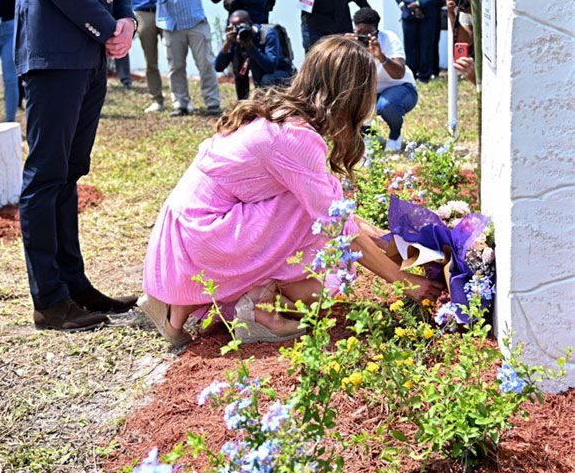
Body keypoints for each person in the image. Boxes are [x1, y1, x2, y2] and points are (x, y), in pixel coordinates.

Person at [139, 36, 442, 347]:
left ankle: (226, 304)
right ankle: (250, 307)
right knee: (310, 216)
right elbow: (337, 223)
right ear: (350, 94)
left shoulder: (285, 117)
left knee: (313, 281)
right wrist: (403, 282)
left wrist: (406, 248)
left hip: (195, 228)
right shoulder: (295, 138)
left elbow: (339, 212)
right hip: (202, 233)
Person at [0, 0, 138, 332]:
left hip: (88, 50)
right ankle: (49, 299)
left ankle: (76, 284)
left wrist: (123, 16)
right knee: (46, 173)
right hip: (55, 51)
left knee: (70, 172)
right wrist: (107, 27)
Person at [143, 0, 221, 117]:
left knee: (205, 64)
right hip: (171, 24)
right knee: (175, 67)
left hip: (195, 22)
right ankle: (180, 103)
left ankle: (212, 103)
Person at [350, 7, 417, 152]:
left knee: (386, 105)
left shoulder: (388, 39)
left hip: (400, 89)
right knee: (345, 101)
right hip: (370, 93)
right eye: (359, 34)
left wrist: (381, 56)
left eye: (368, 34)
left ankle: (395, 134)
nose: (363, 38)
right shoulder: (351, 44)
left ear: (376, 31)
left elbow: (399, 73)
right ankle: (371, 136)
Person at [122, 0, 165, 111]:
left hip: (165, 10)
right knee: (150, 59)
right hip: (143, 12)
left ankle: (181, 98)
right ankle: (157, 99)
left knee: (174, 57)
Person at [214, 9, 295, 100]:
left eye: (241, 26)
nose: (239, 30)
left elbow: (271, 67)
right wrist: (227, 43)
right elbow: (218, 67)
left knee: (267, 79)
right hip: (261, 83)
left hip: (282, 76)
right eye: (235, 27)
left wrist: (250, 46)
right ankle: (244, 104)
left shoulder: (268, 33)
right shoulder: (236, 38)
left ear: (250, 23)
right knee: (239, 70)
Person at [398, 0, 441, 83]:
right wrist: (414, 7)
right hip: (409, 16)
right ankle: (411, 73)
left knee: (426, 45)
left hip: (427, 17)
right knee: (410, 46)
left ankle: (424, 75)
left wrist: (419, 3)